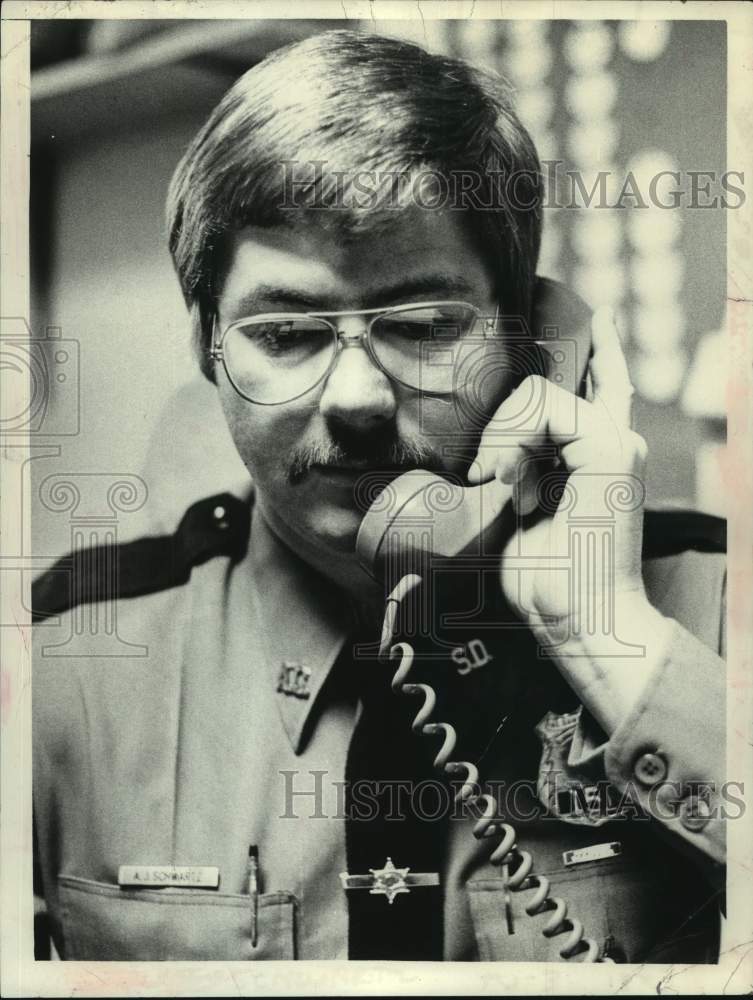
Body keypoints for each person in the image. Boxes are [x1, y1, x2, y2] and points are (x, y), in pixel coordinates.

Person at [32, 29, 726, 963]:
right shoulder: (57, 667)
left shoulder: (714, 610)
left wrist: (604, 635)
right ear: (208, 345)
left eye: (428, 326)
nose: (356, 399)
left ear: (535, 341)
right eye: (285, 335)